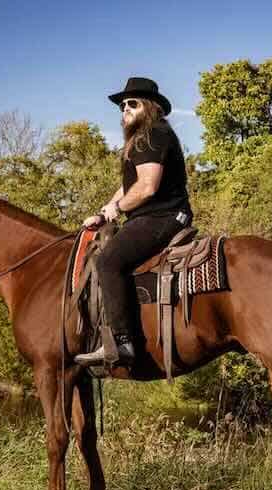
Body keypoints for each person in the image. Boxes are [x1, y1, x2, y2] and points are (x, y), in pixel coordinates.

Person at [74, 77, 193, 367]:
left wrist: (114, 209)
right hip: (150, 216)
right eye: (122, 105)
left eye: (132, 103)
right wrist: (106, 210)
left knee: (108, 262)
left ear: (149, 107)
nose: (124, 108)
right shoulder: (141, 138)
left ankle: (123, 343)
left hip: (163, 217)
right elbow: (131, 186)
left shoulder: (153, 134)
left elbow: (147, 187)